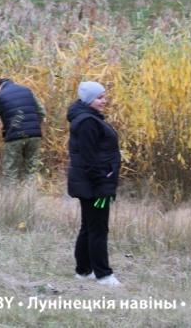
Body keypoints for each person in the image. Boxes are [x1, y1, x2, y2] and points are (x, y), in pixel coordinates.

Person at [67, 81, 121, 286]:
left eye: (104, 97)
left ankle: (83, 270)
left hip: (92, 184)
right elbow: (89, 159)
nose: (104, 101)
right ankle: (104, 275)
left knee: (89, 227)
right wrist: (102, 182)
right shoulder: (88, 122)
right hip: (95, 186)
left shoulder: (88, 119)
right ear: (89, 100)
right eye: (100, 98)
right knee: (98, 228)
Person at [0, 78, 46, 183]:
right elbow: (42, 112)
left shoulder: (0, 96)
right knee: (31, 171)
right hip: (34, 136)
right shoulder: (28, 91)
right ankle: (30, 197)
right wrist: (33, 126)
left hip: (13, 137)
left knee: (10, 173)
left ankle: (10, 198)